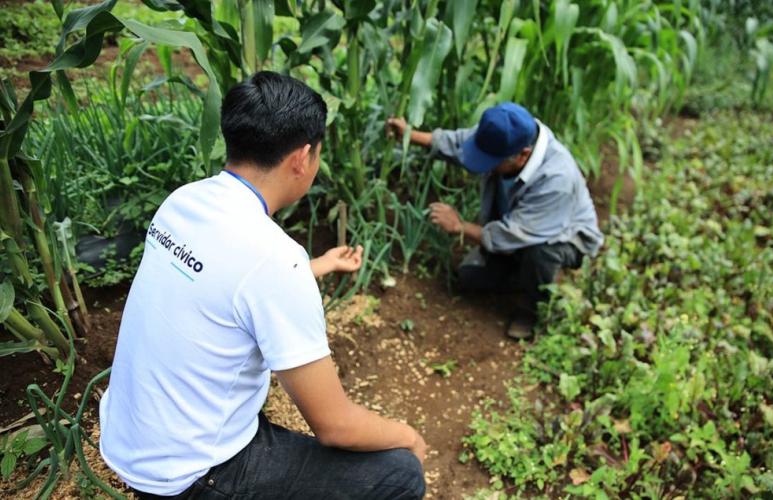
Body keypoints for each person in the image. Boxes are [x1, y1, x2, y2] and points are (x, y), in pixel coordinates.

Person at [100, 71, 426, 500]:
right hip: (193, 476)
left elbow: (228, 284)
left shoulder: (184, 202)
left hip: (130, 445)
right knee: (399, 473)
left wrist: (315, 266)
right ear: (302, 157)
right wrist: (407, 435)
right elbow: (335, 426)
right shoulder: (274, 260)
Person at [386, 103, 603, 339]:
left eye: (491, 162)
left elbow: (517, 233)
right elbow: (459, 142)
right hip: (516, 225)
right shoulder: (505, 135)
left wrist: (460, 226)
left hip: (561, 237)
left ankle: (534, 308)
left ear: (523, 156)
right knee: (470, 278)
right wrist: (409, 134)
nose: (484, 165)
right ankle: (525, 274)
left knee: (541, 253)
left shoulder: (556, 179)